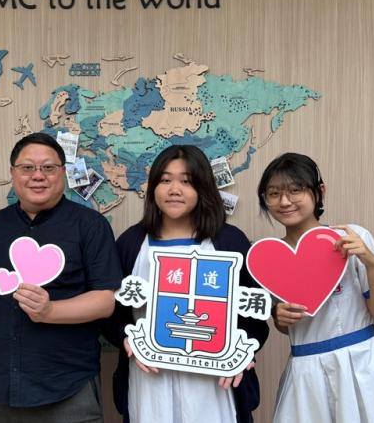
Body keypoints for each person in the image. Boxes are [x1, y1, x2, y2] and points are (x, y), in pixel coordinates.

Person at [103, 145, 270, 423]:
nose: (174, 190)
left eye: (186, 181)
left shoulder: (229, 242)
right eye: (165, 180)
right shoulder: (131, 243)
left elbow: (254, 315)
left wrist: (243, 353)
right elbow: (111, 312)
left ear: (203, 188)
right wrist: (126, 338)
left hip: (214, 384)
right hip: (148, 381)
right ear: (153, 188)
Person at [0, 132, 122, 423]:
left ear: (63, 172)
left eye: (48, 168)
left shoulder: (90, 225)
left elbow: (105, 301)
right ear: (13, 173)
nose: (38, 176)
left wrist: (50, 310)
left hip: (69, 386)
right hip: (4, 387)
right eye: (27, 168)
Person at [257, 152, 374, 422]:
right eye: (274, 193)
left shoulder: (351, 238)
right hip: (305, 372)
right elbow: (286, 326)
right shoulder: (267, 257)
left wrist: (371, 264)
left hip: (362, 366)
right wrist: (278, 317)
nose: (284, 201)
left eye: (295, 190)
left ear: (320, 191)